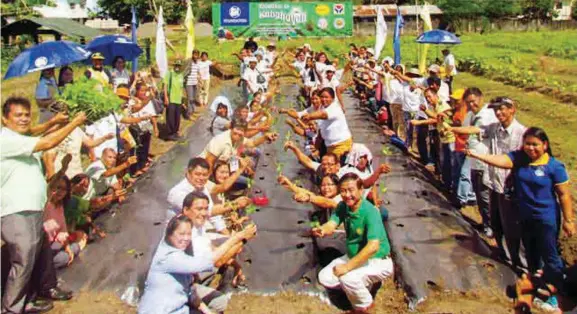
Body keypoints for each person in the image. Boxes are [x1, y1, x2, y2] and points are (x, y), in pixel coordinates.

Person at [466, 127, 574, 310]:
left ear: (545, 145)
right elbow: (501, 161)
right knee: (531, 255)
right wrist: (478, 156)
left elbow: (564, 195)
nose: (531, 148)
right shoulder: (520, 160)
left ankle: (556, 296)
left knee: (550, 257)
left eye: (535, 145)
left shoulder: (555, 167)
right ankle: (537, 286)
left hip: (546, 219)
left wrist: (569, 221)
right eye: (527, 144)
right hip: (525, 217)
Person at [1, 96, 86, 314]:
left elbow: (34, 132)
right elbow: (47, 142)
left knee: (34, 259)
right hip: (17, 211)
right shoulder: (6, 140)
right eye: (18, 115)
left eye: (27, 114)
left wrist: (53, 122)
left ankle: (28, 300)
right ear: (4, 119)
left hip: (32, 209)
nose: (24, 119)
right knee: (23, 260)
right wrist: (73, 123)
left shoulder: (19, 137)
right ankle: (11, 309)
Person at [138, 208, 256, 314]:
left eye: (188, 234)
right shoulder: (167, 256)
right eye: (181, 234)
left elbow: (192, 296)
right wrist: (237, 238)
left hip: (180, 309)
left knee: (218, 303)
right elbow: (209, 261)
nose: (186, 238)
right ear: (169, 235)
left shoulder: (182, 255)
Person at [314, 173, 393, 313]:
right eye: (343, 191)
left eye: (351, 190)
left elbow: (373, 247)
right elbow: (332, 224)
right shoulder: (343, 207)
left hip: (376, 260)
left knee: (347, 278)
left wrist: (347, 267)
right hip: (353, 256)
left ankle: (364, 307)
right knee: (325, 277)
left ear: (361, 190)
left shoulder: (370, 212)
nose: (347, 195)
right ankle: (361, 286)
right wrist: (322, 229)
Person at [484, 97, 527, 270]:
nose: (499, 113)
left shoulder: (522, 133)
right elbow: (475, 129)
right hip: (496, 183)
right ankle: (506, 256)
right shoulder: (495, 128)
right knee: (497, 224)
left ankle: (522, 266)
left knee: (514, 228)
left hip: (511, 189)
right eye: (496, 110)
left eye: (502, 109)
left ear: (512, 109)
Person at [448, 87, 498, 237]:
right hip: (473, 158)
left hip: (485, 160)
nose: (471, 105)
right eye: (468, 102)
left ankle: (491, 226)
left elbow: (474, 129)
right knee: (478, 193)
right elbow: (464, 128)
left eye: (473, 102)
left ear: (480, 99)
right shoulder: (470, 114)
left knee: (485, 195)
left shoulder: (488, 115)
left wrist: (452, 129)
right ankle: (485, 222)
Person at [167, 158, 250, 235]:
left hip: (198, 233)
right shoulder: (178, 193)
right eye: (197, 174)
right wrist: (234, 204)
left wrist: (227, 235)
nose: (201, 178)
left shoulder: (202, 188)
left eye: (204, 175)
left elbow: (214, 217)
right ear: (188, 173)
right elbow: (208, 211)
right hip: (179, 237)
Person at [43, 158, 88, 269]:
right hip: (42, 249)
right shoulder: (45, 202)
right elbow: (50, 187)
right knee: (63, 257)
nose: (60, 192)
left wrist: (67, 247)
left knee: (72, 249)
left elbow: (62, 230)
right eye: (58, 188)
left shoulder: (59, 206)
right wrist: (63, 169)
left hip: (54, 245)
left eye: (64, 189)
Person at [200, 118, 278, 171]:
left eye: (241, 130)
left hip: (222, 168)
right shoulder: (220, 141)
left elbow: (252, 143)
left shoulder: (239, 139)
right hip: (204, 169)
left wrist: (265, 137)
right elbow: (208, 162)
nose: (239, 133)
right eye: (237, 129)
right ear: (231, 129)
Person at [302, 87, 353, 161]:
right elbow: (321, 132)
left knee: (336, 168)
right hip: (329, 146)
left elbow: (324, 115)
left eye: (326, 97)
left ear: (332, 98)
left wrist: (309, 116)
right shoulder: (323, 109)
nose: (323, 99)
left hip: (341, 145)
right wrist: (316, 147)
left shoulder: (335, 107)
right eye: (322, 97)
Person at [449, 89, 476, 207]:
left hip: (465, 146)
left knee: (465, 174)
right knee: (460, 171)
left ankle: (462, 199)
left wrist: (452, 128)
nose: (454, 101)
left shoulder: (468, 114)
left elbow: (467, 131)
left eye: (457, 99)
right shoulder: (457, 111)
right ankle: (468, 195)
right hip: (458, 144)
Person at [128, 83, 159, 176]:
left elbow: (153, 115)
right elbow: (136, 108)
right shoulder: (132, 101)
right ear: (137, 91)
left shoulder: (149, 102)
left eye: (145, 91)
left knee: (145, 149)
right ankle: (134, 170)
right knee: (136, 151)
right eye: (141, 90)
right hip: (136, 129)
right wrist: (149, 98)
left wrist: (155, 127)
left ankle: (142, 166)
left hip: (146, 128)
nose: (143, 92)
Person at [164, 59, 185, 141]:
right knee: (170, 117)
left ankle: (175, 132)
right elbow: (165, 85)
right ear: (174, 65)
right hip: (171, 99)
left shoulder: (181, 75)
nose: (177, 67)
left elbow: (181, 88)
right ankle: (170, 134)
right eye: (176, 65)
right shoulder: (169, 73)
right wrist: (166, 97)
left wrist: (183, 100)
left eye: (179, 66)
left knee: (177, 117)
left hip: (178, 100)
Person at [183, 49, 201, 119]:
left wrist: (200, 80)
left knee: (194, 98)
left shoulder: (197, 63)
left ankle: (193, 112)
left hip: (195, 83)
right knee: (190, 99)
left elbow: (198, 72)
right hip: (189, 83)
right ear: (192, 54)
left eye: (197, 55)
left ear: (198, 55)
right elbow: (184, 70)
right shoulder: (188, 61)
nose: (195, 56)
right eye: (194, 54)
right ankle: (188, 115)